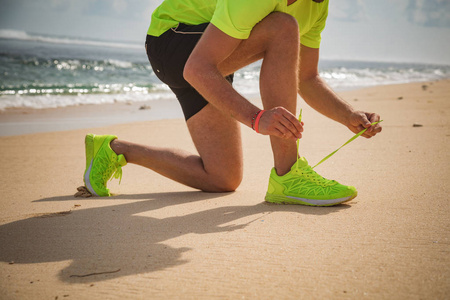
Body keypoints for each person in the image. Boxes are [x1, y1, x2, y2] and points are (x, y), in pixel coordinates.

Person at [82, 0, 382, 206]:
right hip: (173, 42)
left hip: (209, 61)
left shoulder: (317, 6)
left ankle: (113, 150)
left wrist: (348, 115)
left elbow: (305, 76)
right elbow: (196, 68)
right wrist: (256, 117)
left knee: (223, 178)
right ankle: (288, 175)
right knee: (282, 27)